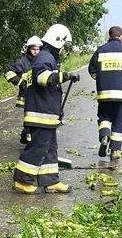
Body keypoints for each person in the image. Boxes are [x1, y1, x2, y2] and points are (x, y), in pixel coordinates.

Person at [13, 24, 79, 194]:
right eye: (64, 45)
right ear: (58, 41)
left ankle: (51, 181)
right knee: (37, 148)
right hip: (40, 115)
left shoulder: (47, 57)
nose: (64, 49)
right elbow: (42, 78)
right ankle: (22, 180)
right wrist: (66, 76)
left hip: (46, 114)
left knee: (50, 149)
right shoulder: (45, 57)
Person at [88, 25, 122, 161]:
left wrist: (100, 78)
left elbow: (92, 69)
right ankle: (115, 150)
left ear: (109, 35)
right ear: (121, 36)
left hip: (104, 93)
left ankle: (105, 136)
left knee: (104, 116)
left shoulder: (101, 50)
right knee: (119, 120)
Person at [4, 36, 42, 144]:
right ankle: (29, 141)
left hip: (39, 95)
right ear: (29, 49)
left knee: (38, 118)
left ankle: (29, 137)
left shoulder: (42, 60)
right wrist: (19, 81)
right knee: (29, 118)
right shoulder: (22, 61)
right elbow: (8, 71)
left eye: (38, 49)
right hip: (27, 95)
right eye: (34, 49)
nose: (36, 52)